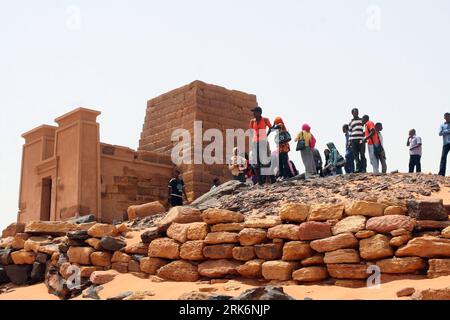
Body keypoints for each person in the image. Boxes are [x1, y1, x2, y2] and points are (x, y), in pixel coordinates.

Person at [249, 106, 272, 184]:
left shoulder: (265, 120)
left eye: (254, 112)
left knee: (265, 161)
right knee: (256, 162)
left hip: (263, 142)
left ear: (259, 112)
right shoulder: (252, 121)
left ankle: (267, 180)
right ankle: (259, 181)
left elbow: (271, 128)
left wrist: (266, 135)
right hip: (255, 143)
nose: (253, 113)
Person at [348, 108, 367, 173]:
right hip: (353, 140)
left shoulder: (362, 120)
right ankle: (358, 169)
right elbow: (350, 132)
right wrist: (349, 141)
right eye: (355, 112)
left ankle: (364, 168)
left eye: (357, 112)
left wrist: (364, 136)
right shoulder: (350, 122)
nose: (356, 113)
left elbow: (366, 128)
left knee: (362, 154)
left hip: (361, 139)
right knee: (356, 155)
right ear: (352, 113)